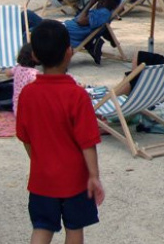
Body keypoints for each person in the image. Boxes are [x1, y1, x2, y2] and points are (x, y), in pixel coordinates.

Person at [16, 20, 104, 244]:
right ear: (69, 52)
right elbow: (87, 142)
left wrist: (38, 160)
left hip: (42, 179)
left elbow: (25, 137)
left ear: (34, 55)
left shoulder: (27, 94)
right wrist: (94, 176)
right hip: (75, 179)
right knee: (74, 229)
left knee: (42, 228)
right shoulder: (77, 95)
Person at [63, 0, 121, 65]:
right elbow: (105, 31)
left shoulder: (103, 13)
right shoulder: (100, 12)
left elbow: (80, 21)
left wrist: (90, 4)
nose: (99, 2)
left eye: (101, 0)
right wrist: (113, 41)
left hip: (65, 32)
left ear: (104, 2)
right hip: (63, 29)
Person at [6, 43, 39, 119]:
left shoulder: (17, 68)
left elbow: (7, 73)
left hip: (16, 107)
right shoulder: (33, 74)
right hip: (27, 109)